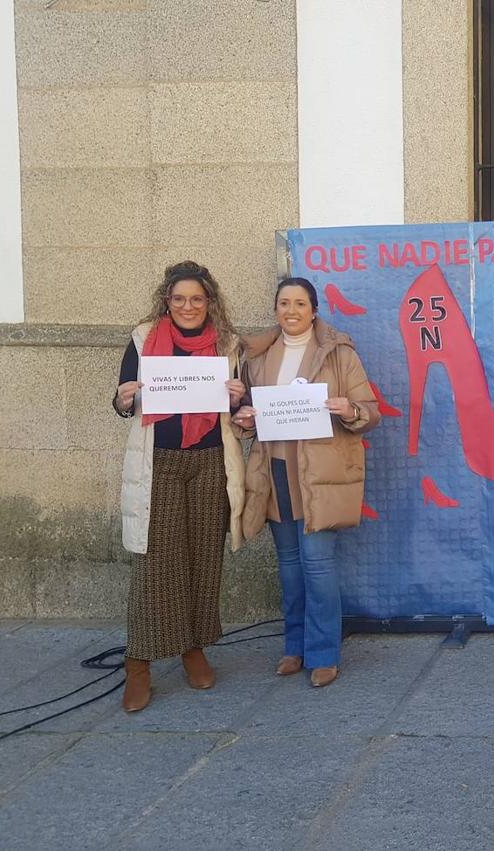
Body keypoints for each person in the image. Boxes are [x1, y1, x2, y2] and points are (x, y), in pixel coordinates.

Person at [232, 278, 381, 687]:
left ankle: (324, 654)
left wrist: (348, 408)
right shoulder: (259, 356)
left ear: (314, 310)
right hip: (276, 469)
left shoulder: (338, 353)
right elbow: (245, 412)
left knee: (317, 565)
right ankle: (293, 648)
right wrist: (243, 418)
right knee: (290, 567)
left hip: (321, 472)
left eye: (300, 303)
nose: (291, 310)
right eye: (284, 303)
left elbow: (370, 412)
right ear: (276, 309)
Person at [113, 260, 247, 712]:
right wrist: (124, 398)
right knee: (155, 566)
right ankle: (139, 665)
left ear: (209, 302)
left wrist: (237, 398)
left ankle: (193, 649)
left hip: (211, 462)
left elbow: (240, 408)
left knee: (203, 561)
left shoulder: (228, 344)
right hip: (161, 463)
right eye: (179, 299)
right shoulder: (143, 339)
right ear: (166, 301)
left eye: (196, 298)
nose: (188, 306)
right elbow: (122, 398)